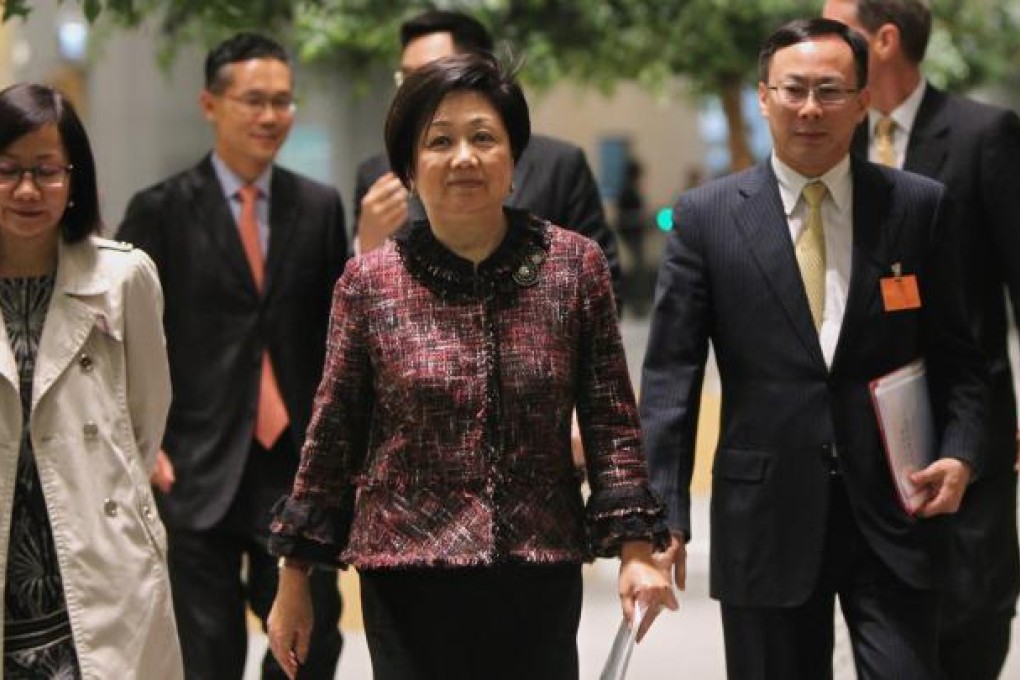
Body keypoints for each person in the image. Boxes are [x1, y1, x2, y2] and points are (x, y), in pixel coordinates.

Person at [266, 52, 676, 680]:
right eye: (440, 141)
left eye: (484, 137)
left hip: (537, 568)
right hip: (406, 577)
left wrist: (637, 551)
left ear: (514, 161)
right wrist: (294, 578)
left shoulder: (574, 268)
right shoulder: (369, 282)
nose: (464, 157)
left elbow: (611, 423)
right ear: (409, 167)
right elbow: (332, 438)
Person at [641, 18, 988, 680]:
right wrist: (664, 517)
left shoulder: (918, 208)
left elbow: (962, 359)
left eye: (830, 91)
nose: (809, 109)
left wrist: (961, 451)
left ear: (862, 102)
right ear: (764, 97)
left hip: (895, 508)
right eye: (793, 89)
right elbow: (669, 382)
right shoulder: (705, 218)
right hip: (765, 514)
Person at [116, 33, 347, 680]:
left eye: (282, 101)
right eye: (253, 100)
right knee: (204, 653)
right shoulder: (159, 210)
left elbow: (338, 337)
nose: (271, 116)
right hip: (194, 462)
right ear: (210, 104)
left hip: (296, 465)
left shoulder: (320, 207)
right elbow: (119, 338)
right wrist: (143, 440)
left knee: (309, 646)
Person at [819, 3, 1020, 676]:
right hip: (863, 444)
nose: (820, 39)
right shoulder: (829, 141)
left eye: (835, 25)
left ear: (884, 39)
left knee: (972, 622)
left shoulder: (982, 135)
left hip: (969, 430)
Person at [0, 83, 181, 678]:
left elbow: (143, 421)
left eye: (46, 170)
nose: (27, 190)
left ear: (74, 178)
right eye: (7, 170)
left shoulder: (124, 278)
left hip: (98, 563)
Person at [354, 9, 621, 302]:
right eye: (407, 77)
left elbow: (604, 293)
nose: (463, 160)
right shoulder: (378, 174)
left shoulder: (560, 165)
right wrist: (366, 244)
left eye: (432, 72)